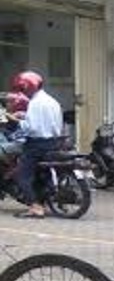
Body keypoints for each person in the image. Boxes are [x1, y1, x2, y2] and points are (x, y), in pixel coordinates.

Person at [9, 71, 64, 218]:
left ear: (28, 87)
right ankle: (42, 201)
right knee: (40, 173)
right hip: (54, 142)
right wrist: (24, 115)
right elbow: (52, 123)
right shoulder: (52, 101)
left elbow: (31, 128)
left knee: (21, 176)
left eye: (23, 88)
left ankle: (35, 207)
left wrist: (16, 120)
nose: (23, 91)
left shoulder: (34, 103)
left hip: (36, 145)